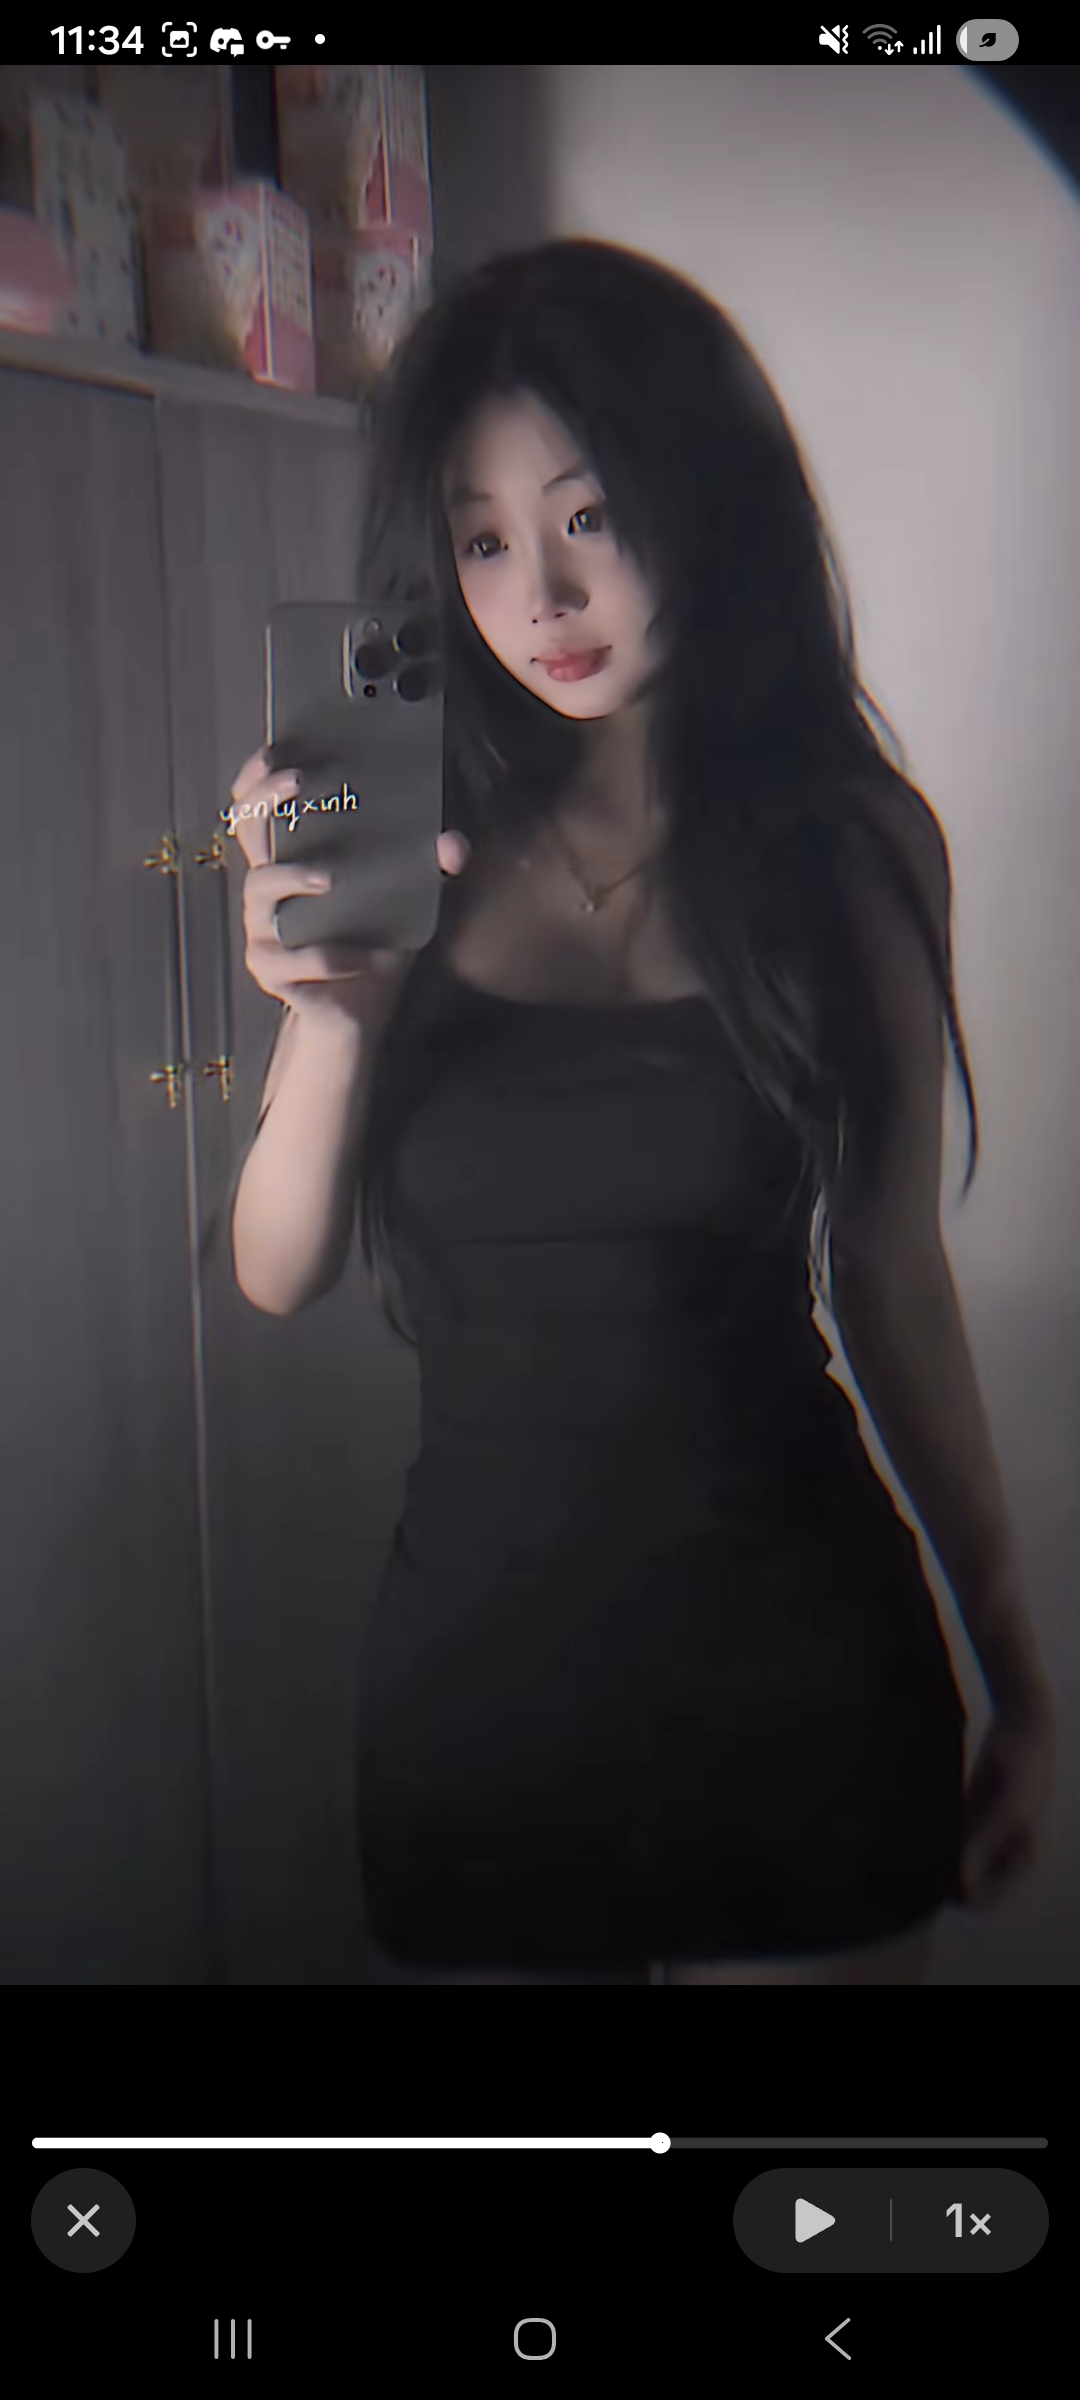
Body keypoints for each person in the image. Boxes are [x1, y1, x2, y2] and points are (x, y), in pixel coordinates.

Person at [229, 238, 1056, 1985]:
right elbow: (275, 1271)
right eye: (480, 539)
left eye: (588, 516)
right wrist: (333, 1020)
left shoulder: (853, 845)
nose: (539, 592)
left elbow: (892, 1274)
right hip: (482, 1709)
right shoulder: (406, 841)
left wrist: (1022, 1672)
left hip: (806, 1688)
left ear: (709, 496)